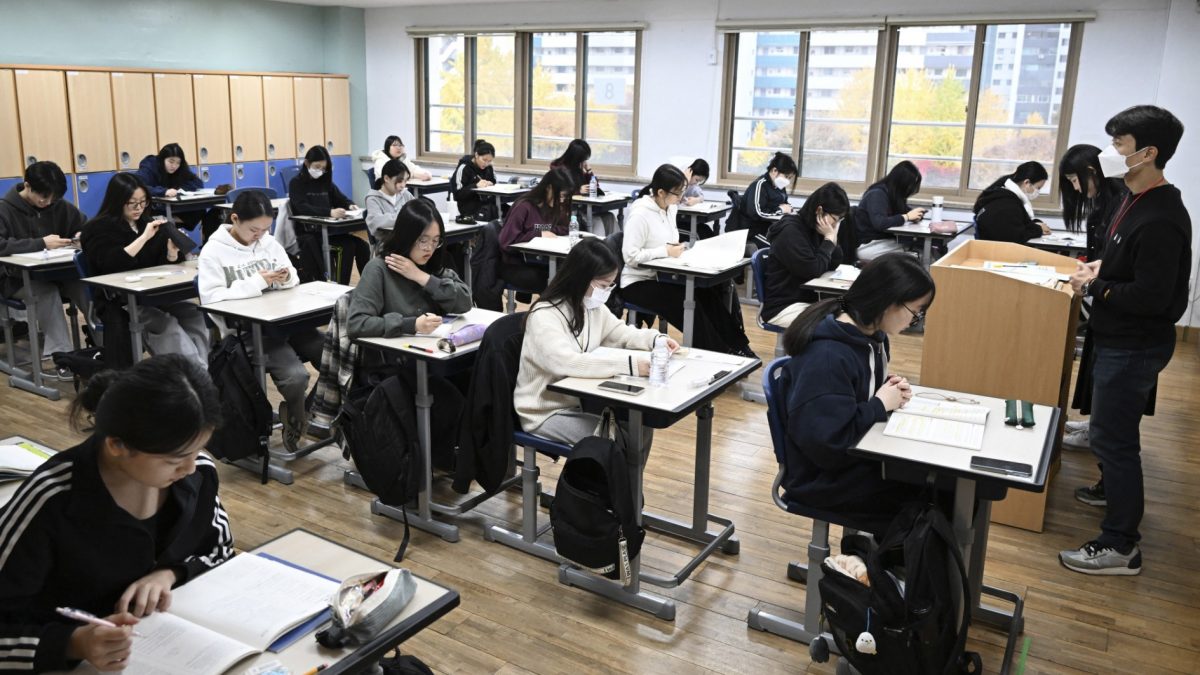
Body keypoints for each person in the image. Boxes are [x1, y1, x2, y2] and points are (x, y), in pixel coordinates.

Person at [0, 354, 233, 674]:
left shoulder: (195, 477)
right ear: (117, 446)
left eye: (198, 451)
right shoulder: (52, 500)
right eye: (175, 458)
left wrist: (170, 573)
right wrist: (73, 643)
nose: (191, 466)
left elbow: (221, 548)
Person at [1061, 105, 1192, 576]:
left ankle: (1120, 545)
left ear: (1148, 152)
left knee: (1115, 444)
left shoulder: (1160, 214)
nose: (1110, 153)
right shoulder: (1132, 200)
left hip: (1133, 344)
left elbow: (1154, 298)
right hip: (1117, 337)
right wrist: (1101, 269)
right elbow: (1127, 265)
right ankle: (1112, 499)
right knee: (1111, 437)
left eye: (1119, 144)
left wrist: (1095, 287)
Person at [779, 253, 933, 534]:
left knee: (941, 483)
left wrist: (888, 390)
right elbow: (830, 445)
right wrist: (878, 405)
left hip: (853, 458)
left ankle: (876, 561)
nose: (916, 321)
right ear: (889, 302)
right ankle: (872, 566)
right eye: (916, 312)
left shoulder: (872, 337)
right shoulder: (827, 356)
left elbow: (853, 394)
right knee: (932, 496)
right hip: (824, 478)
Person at [515, 237, 676, 457]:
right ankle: (619, 490)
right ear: (581, 279)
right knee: (617, 440)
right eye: (603, 286)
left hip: (579, 401)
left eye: (611, 285)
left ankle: (626, 491)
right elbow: (567, 363)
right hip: (545, 411)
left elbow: (620, 332)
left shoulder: (590, 306)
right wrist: (629, 364)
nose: (607, 292)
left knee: (641, 425)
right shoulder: (545, 316)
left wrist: (655, 340)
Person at [198, 190, 324, 452]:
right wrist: (258, 282)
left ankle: (304, 411)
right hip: (247, 333)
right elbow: (212, 300)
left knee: (336, 356)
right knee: (295, 376)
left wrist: (286, 277)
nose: (260, 236)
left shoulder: (268, 243)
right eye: (254, 229)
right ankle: (298, 417)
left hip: (284, 323)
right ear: (235, 219)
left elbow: (292, 277)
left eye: (266, 229)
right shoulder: (213, 251)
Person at [620, 164, 755, 357]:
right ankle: (719, 353)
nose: (681, 198)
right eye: (677, 193)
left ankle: (740, 345)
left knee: (707, 294)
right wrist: (665, 251)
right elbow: (630, 256)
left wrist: (676, 249)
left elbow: (670, 241)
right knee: (685, 301)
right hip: (638, 282)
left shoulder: (670, 208)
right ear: (660, 192)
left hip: (663, 274)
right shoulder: (640, 214)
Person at [80, 173, 208, 367]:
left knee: (195, 316)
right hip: (120, 300)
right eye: (133, 203)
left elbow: (162, 264)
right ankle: (194, 375)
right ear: (117, 202)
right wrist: (143, 238)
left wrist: (172, 254)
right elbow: (111, 264)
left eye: (143, 202)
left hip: (155, 295)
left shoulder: (146, 223)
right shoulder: (96, 229)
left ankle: (201, 372)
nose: (139, 208)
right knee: (166, 325)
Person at [1058, 145, 1132, 450]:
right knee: (1094, 366)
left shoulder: (1117, 199)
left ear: (1092, 171)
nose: (1075, 188)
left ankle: (1098, 433)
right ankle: (1094, 425)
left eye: (1076, 180)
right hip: (1105, 299)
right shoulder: (1105, 200)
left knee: (1106, 378)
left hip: (1119, 307)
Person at [0, 161, 88, 379]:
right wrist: (40, 243)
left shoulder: (59, 206)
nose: (47, 202)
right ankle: (63, 357)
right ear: (27, 185)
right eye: (43, 196)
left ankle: (107, 346)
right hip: (15, 279)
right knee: (45, 293)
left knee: (86, 285)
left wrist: (80, 236)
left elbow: (86, 226)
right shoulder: (4, 209)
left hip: (58, 274)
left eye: (53, 198)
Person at [347, 198, 472, 340]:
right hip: (393, 356)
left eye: (435, 240)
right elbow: (356, 324)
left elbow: (465, 302)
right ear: (406, 237)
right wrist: (411, 325)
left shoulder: (433, 263)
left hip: (434, 350)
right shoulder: (379, 269)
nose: (429, 248)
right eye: (423, 240)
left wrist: (421, 277)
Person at [762, 182, 850, 327]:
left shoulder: (816, 229)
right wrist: (828, 240)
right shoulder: (790, 231)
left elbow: (835, 261)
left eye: (839, 221)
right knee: (840, 325)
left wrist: (831, 237)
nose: (835, 226)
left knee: (853, 311)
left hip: (812, 300)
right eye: (834, 220)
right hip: (785, 305)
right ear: (819, 211)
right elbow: (813, 270)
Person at [288, 146, 370, 281]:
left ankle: (368, 286)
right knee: (347, 247)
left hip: (331, 232)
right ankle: (340, 288)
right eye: (317, 166)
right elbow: (301, 208)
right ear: (307, 163)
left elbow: (341, 198)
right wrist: (329, 212)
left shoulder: (326, 183)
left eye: (323, 168)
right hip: (310, 234)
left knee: (363, 246)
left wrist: (350, 205)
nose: (320, 171)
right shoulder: (296, 183)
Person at [497, 167, 575, 294]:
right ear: (549, 188)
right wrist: (538, 234)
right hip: (517, 264)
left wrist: (548, 231)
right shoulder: (524, 206)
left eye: (564, 197)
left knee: (574, 274)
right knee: (559, 281)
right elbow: (507, 241)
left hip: (543, 262)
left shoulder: (556, 206)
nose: (562, 200)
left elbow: (565, 228)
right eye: (560, 196)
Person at [854, 161, 925, 261]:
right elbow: (880, 223)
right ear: (901, 184)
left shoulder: (893, 195)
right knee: (921, 255)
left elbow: (904, 210)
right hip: (870, 245)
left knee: (925, 250)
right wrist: (907, 217)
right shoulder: (877, 194)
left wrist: (916, 215)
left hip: (885, 242)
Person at [973, 161, 1052, 243]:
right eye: (1038, 188)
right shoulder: (1007, 204)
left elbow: (1017, 223)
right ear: (1027, 183)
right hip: (999, 251)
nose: (1037, 192)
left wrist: (1036, 224)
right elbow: (1016, 237)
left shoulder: (1006, 196)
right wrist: (1038, 229)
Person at [136, 143, 206, 232]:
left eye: (178, 163)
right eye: (171, 161)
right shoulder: (150, 165)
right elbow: (138, 186)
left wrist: (178, 189)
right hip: (152, 206)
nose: (174, 166)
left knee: (199, 208)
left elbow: (197, 183)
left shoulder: (180, 168)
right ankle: (166, 222)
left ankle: (169, 220)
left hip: (171, 206)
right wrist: (163, 191)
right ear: (162, 159)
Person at [551, 139, 614, 233]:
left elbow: (594, 184)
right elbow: (559, 191)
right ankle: (595, 246)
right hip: (568, 211)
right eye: (583, 159)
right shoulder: (558, 169)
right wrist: (578, 191)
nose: (584, 162)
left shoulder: (578, 168)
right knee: (598, 221)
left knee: (610, 216)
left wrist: (589, 171)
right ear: (575, 158)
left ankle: (616, 245)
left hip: (582, 208)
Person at [736, 152, 796, 248]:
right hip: (753, 232)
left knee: (794, 243)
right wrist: (780, 210)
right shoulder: (759, 185)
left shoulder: (779, 186)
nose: (788, 181)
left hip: (769, 229)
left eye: (790, 178)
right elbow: (757, 213)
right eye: (786, 177)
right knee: (780, 248)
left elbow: (785, 204)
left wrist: (790, 209)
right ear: (774, 170)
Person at [364, 158, 414, 241]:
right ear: (386, 178)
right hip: (387, 245)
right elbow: (376, 221)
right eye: (399, 181)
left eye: (405, 181)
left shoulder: (405, 194)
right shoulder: (373, 199)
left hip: (407, 241)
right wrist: (405, 218)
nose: (403, 185)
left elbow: (418, 211)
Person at [451, 139, 497, 221]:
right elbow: (458, 194)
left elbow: (494, 182)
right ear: (476, 155)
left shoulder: (489, 168)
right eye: (484, 160)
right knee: (491, 215)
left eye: (489, 161)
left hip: (486, 204)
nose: (486, 164)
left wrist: (491, 183)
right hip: (469, 206)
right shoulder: (464, 167)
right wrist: (475, 185)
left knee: (509, 212)